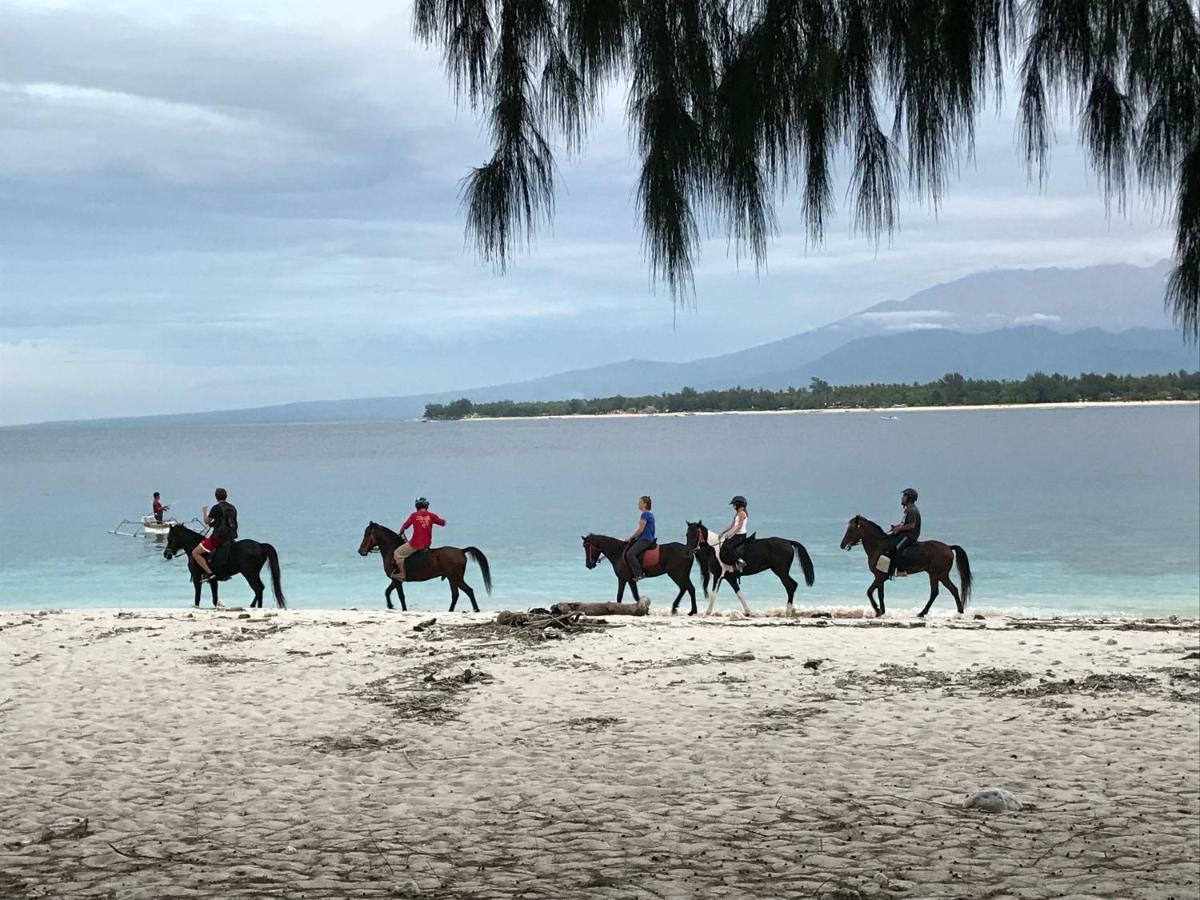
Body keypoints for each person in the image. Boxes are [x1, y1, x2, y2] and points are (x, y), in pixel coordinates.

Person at [392, 497, 446, 582]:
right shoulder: (432, 515)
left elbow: (405, 526)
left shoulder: (414, 515)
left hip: (415, 544)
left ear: (417, 506)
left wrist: (401, 531)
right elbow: (443, 523)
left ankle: (402, 574)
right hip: (427, 544)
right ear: (427, 506)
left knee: (397, 553)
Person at [193, 488, 238, 582]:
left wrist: (204, 512)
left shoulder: (216, 508)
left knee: (195, 553)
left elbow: (206, 521)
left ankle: (209, 573)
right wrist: (214, 523)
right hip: (231, 536)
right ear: (226, 496)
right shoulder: (232, 508)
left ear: (216, 497)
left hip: (219, 537)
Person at [887, 487, 922, 576]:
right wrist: (896, 527)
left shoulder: (912, 510)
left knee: (896, 548)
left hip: (910, 535)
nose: (902, 498)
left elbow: (912, 525)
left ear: (909, 498)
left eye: (904, 496)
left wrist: (899, 529)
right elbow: (905, 524)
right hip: (905, 533)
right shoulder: (908, 510)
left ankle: (901, 570)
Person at [624, 495, 656, 581]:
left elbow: (641, 530)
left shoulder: (645, 515)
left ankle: (639, 574)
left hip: (645, 539)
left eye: (640, 502)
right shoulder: (649, 514)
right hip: (644, 538)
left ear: (645, 504)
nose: (638, 504)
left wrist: (630, 537)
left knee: (630, 554)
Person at [718, 495, 750, 571]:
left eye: (734, 505)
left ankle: (740, 561)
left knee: (729, 547)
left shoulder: (742, 513)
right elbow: (731, 525)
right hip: (737, 535)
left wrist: (731, 534)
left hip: (741, 536)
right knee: (725, 544)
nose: (733, 506)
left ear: (739, 505)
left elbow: (739, 526)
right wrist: (722, 533)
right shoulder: (737, 514)